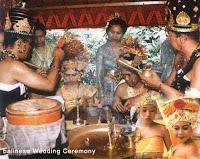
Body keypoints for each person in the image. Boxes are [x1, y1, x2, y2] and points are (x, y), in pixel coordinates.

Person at [126, 0, 200, 102]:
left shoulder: (199, 63)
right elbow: (168, 86)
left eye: (170, 35)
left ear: (182, 38)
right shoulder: (180, 55)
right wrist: (143, 97)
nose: (168, 39)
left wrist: (158, 85)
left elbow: (193, 104)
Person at [0, 4, 64, 117]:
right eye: (30, 43)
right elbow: (49, 85)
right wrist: (57, 58)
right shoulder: (13, 65)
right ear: (20, 44)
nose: (30, 48)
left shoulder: (8, 61)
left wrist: (33, 75)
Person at [56, 31, 100, 116]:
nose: (71, 78)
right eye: (67, 75)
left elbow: (91, 111)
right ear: (63, 75)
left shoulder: (87, 90)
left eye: (74, 75)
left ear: (80, 74)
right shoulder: (60, 91)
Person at [112, 36, 148, 122]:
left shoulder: (150, 86)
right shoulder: (121, 89)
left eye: (129, 74)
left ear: (139, 72)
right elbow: (115, 114)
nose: (126, 79)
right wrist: (115, 107)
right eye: (124, 75)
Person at [96, 12, 127, 107]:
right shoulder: (102, 49)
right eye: (112, 32)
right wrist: (101, 95)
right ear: (107, 31)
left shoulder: (128, 48)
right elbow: (99, 73)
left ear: (123, 33)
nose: (114, 36)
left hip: (124, 85)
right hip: (107, 86)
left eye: (118, 33)